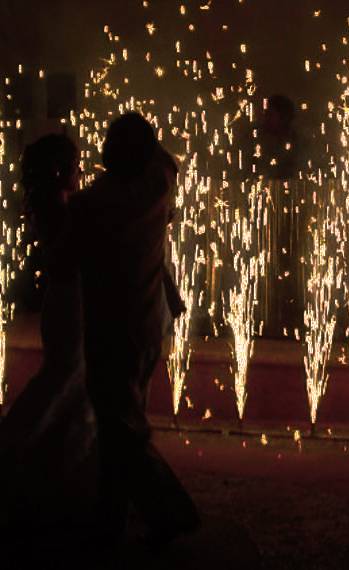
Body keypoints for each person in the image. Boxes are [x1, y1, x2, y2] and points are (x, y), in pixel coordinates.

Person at [68, 112, 200, 548]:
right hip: (147, 327)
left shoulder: (96, 203)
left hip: (113, 331)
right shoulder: (156, 187)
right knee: (123, 422)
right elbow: (167, 160)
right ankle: (114, 514)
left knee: (120, 429)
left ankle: (168, 512)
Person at [0, 134, 99, 562]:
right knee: (62, 381)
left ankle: (59, 479)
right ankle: (11, 449)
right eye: (76, 162)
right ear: (62, 166)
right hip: (70, 303)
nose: (81, 168)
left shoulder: (54, 202)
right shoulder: (62, 208)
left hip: (66, 302)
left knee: (71, 385)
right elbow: (72, 257)